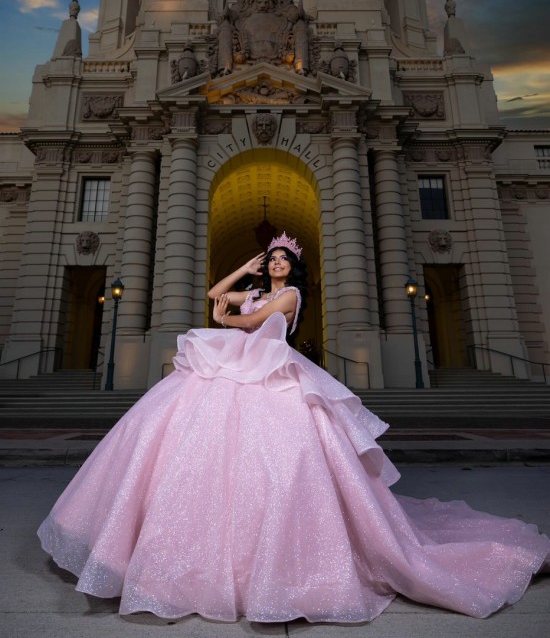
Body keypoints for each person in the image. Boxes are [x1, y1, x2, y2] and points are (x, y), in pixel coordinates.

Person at [38, 233, 550, 624]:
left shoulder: (289, 300)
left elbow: (243, 323)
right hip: (237, 369)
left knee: (282, 461)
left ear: (295, 270)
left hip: (274, 373)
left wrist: (226, 316)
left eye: (284, 260)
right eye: (272, 258)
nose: (277, 264)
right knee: (203, 453)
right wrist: (241, 272)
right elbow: (217, 294)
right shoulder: (258, 287)